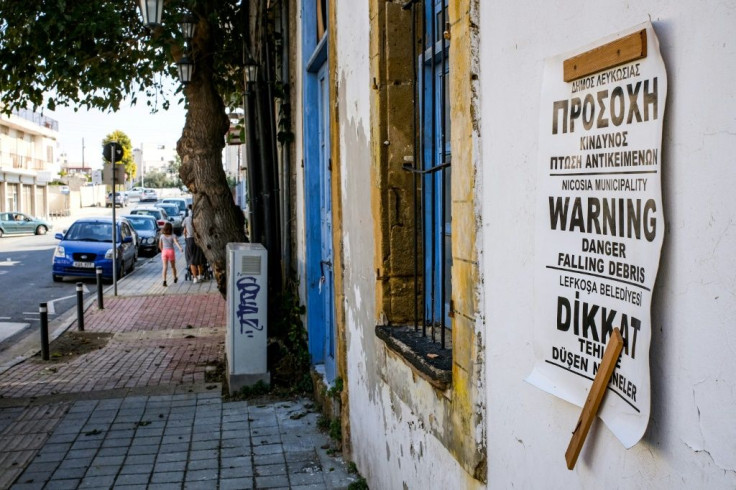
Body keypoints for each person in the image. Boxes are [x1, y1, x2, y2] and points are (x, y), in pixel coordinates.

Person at [182, 204, 206, 283]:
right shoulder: (199, 218)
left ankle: (195, 278)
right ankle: (200, 275)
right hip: (198, 240)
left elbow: (184, 231)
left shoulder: (186, 219)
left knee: (191, 260)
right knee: (199, 258)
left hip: (190, 240)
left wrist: (185, 237)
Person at [159, 222, 183, 287]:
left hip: (164, 252)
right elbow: (175, 242)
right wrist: (180, 248)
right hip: (171, 251)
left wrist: (162, 251)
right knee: (173, 266)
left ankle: (164, 281)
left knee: (164, 267)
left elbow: (160, 246)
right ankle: (175, 277)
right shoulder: (173, 235)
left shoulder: (162, 236)